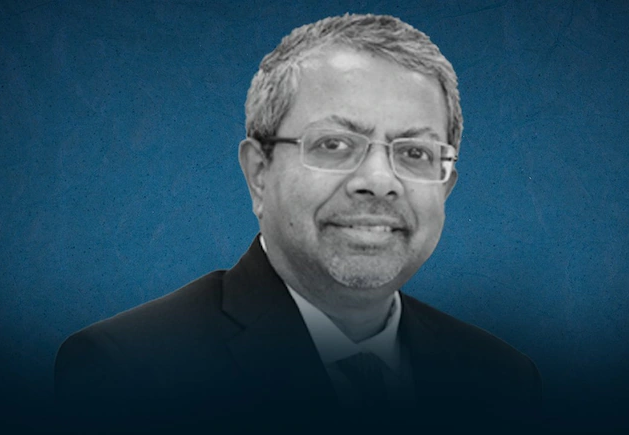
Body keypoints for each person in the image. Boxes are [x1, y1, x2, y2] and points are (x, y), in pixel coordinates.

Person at [54, 13, 541, 433]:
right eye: (334, 144)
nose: (379, 181)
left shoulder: (503, 381)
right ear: (259, 174)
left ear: (445, 187)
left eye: (414, 153)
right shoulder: (129, 371)